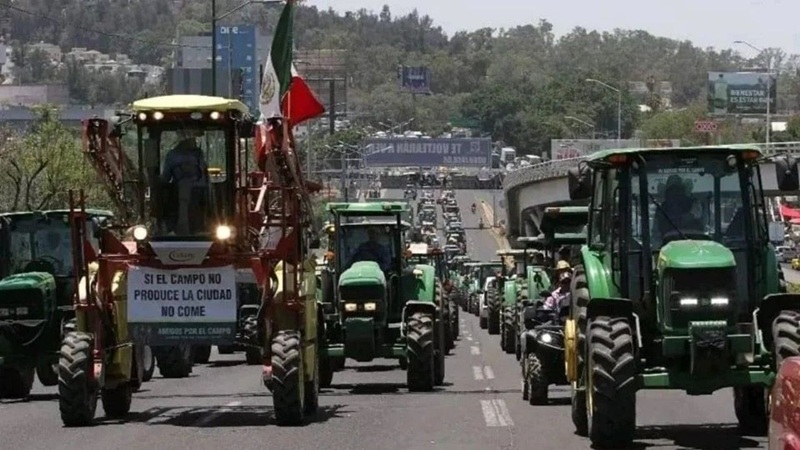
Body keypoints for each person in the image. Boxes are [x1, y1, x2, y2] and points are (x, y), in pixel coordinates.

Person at [160, 129, 209, 235]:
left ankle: (178, 230)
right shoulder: (197, 155)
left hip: (187, 193)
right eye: (193, 138)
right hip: (194, 193)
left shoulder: (172, 155)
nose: (195, 141)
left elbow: (165, 178)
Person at [656, 175, 703, 240]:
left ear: (683, 191)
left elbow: (699, 224)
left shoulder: (694, 204)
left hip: (694, 243)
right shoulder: (661, 208)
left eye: (678, 190)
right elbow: (656, 233)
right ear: (667, 193)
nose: (675, 193)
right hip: (667, 245)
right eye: (671, 190)